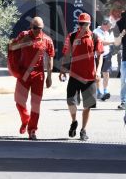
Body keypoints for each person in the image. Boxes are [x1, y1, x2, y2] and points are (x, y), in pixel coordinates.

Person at [59, 12, 104, 141]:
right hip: (74, 75)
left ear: (90, 24)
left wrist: (99, 70)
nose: (82, 26)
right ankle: (74, 121)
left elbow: (100, 55)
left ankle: (83, 130)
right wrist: (62, 69)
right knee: (70, 102)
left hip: (89, 78)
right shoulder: (72, 37)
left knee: (88, 105)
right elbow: (67, 54)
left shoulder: (95, 37)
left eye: (85, 24)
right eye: (80, 23)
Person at [9, 16, 55, 140]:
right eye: (35, 28)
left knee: (36, 104)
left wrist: (49, 76)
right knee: (19, 101)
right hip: (24, 73)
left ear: (42, 27)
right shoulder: (24, 35)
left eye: (39, 28)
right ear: (31, 26)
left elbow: (50, 57)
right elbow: (12, 48)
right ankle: (25, 119)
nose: (37, 30)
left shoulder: (47, 40)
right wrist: (22, 42)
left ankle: (32, 130)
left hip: (38, 75)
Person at [93, 18, 114, 100]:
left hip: (107, 54)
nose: (109, 28)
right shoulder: (95, 32)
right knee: (97, 74)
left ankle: (105, 90)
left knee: (106, 73)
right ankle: (98, 91)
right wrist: (112, 42)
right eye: (108, 26)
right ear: (104, 25)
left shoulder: (107, 32)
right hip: (98, 55)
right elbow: (101, 43)